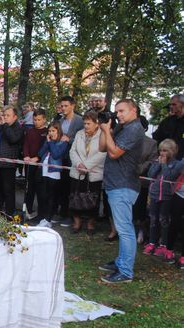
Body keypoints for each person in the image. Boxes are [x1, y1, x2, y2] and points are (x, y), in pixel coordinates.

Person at [98, 99, 146, 284]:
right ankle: (120, 262)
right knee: (122, 227)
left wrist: (107, 132)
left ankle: (125, 271)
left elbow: (114, 153)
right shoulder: (122, 127)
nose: (118, 115)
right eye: (116, 111)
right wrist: (105, 129)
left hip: (124, 184)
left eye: (122, 111)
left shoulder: (134, 128)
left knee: (125, 229)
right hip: (115, 183)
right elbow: (103, 147)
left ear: (133, 110)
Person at [142, 139, 184, 261]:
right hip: (155, 195)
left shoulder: (176, 164)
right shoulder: (157, 161)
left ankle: (163, 245)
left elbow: (169, 176)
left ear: (172, 151)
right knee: (153, 219)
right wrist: (158, 164)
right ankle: (151, 243)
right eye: (160, 150)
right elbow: (151, 175)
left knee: (164, 220)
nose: (162, 153)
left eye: (165, 150)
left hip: (167, 197)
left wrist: (164, 164)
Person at [69, 111, 107, 234]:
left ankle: (91, 224)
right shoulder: (79, 134)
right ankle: (77, 222)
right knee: (75, 196)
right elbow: (73, 151)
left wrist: (86, 165)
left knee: (93, 198)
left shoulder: (103, 135)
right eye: (84, 123)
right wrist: (79, 164)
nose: (85, 126)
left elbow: (103, 153)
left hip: (94, 173)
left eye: (88, 123)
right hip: (77, 172)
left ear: (96, 124)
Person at [0, 106, 24, 217]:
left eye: (8, 115)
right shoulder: (1, 126)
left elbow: (13, 139)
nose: (5, 117)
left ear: (15, 117)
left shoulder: (17, 127)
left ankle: (9, 214)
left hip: (7, 164)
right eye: (4, 115)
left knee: (8, 190)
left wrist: (4, 125)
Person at [55, 96, 85, 226]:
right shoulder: (60, 121)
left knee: (71, 188)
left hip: (74, 158)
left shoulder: (79, 121)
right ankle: (62, 213)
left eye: (66, 106)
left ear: (73, 106)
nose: (63, 108)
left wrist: (69, 140)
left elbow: (83, 139)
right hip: (61, 156)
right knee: (60, 186)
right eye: (62, 106)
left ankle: (70, 215)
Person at [35, 122, 68, 227]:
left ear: (58, 131)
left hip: (53, 171)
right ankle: (44, 217)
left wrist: (51, 143)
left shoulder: (62, 143)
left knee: (51, 196)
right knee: (43, 194)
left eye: (53, 131)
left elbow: (56, 154)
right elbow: (40, 153)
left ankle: (48, 218)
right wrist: (47, 142)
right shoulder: (48, 141)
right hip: (44, 170)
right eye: (49, 131)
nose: (51, 133)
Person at [22, 109, 48, 217]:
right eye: (35, 119)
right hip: (30, 164)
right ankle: (28, 210)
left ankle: (42, 213)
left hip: (41, 165)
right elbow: (26, 144)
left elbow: (46, 147)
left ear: (44, 119)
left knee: (41, 190)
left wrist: (38, 157)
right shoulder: (30, 131)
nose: (36, 122)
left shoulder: (47, 132)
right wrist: (26, 155)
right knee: (29, 188)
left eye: (39, 120)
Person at [152, 94, 184, 159]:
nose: (171, 106)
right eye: (170, 104)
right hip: (166, 160)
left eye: (174, 104)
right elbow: (156, 136)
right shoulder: (167, 121)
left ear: (182, 104)